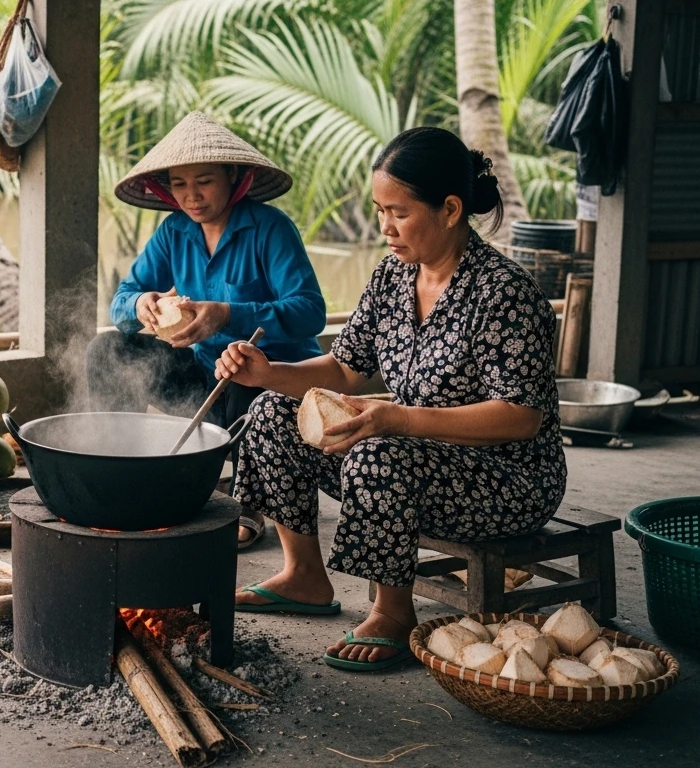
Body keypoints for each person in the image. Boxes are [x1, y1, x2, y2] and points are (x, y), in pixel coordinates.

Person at [218, 126, 566, 672]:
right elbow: (346, 369)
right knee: (270, 414)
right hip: (415, 457)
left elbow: (521, 418)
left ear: (450, 209)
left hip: (508, 479)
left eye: (398, 213)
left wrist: (397, 420)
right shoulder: (393, 276)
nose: (385, 227)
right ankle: (304, 575)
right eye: (380, 210)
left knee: (382, 452)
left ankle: (394, 612)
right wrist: (266, 372)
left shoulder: (505, 294)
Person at [90, 112, 327, 548]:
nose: (191, 196)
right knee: (109, 350)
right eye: (179, 185)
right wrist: (142, 303)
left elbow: (311, 311)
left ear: (233, 178)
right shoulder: (174, 231)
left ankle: (247, 502)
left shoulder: (270, 228)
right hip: (203, 385)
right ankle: (116, 473)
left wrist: (227, 313)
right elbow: (123, 298)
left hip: (272, 389)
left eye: (204, 181)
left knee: (240, 362)